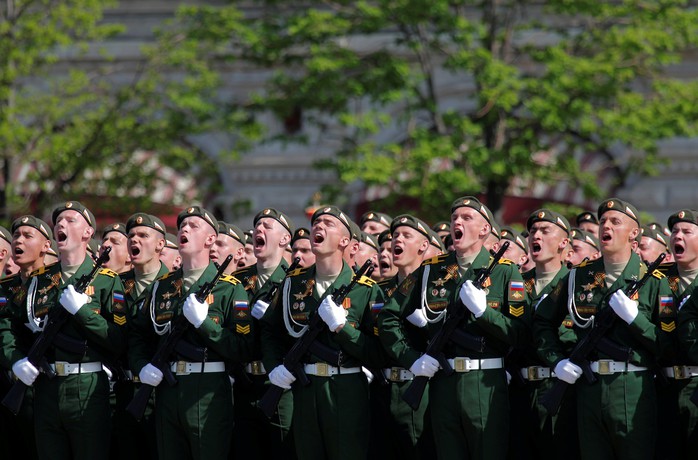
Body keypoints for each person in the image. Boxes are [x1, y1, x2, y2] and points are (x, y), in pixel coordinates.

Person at [379, 196, 530, 460]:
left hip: (484, 384)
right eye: (454, 218)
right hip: (443, 384)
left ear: (485, 230)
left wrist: (485, 313)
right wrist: (411, 359)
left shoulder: (505, 272)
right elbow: (389, 317)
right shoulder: (430, 271)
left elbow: (521, 333)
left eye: (466, 218)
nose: (457, 222)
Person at [534, 198, 672, 460]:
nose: (605, 226)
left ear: (634, 233)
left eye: (615, 222)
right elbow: (542, 322)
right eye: (603, 222)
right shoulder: (577, 277)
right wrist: (557, 361)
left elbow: (668, 344)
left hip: (633, 388)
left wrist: (636, 320)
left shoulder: (654, 281)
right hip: (590, 387)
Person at [2, 201, 127, 460]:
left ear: (87, 233)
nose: (61, 224)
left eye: (71, 220)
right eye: (58, 220)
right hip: (46, 387)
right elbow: (10, 325)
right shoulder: (40, 280)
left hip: (87, 386)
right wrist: (16, 361)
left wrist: (83, 313)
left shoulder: (106, 280)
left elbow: (119, 339)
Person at [261, 205, 385, 460]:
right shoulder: (293, 283)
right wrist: (274, 366)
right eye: (316, 223)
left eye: (329, 223)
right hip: (305, 391)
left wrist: (343, 328)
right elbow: (269, 330)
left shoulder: (366, 290)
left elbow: (378, 352)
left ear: (345, 241)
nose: (318, 226)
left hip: (346, 389)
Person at [128, 206, 252, 460]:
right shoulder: (161, 287)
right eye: (182, 225)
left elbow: (243, 347)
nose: (184, 229)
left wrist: (205, 324)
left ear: (210, 240)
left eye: (193, 226)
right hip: (167, 390)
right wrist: (141, 366)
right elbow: (137, 336)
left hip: (208, 393)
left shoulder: (229, 289)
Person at [509, 210, 578, 460]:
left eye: (545, 231)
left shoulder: (574, 282)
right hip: (520, 387)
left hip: (558, 385)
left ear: (563, 242)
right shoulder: (515, 282)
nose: (535, 236)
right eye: (533, 232)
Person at [232, 208, 296, 459]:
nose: (259, 229)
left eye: (267, 226)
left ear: (284, 239)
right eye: (257, 225)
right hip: (244, 383)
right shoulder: (236, 281)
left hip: (280, 384)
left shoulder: (296, 280)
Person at [372, 214, 435, 459]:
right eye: (396, 235)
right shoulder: (380, 291)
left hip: (422, 389)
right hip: (384, 390)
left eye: (406, 236)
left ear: (423, 246)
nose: (398, 240)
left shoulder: (434, 287)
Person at [109, 213, 169, 460]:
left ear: (160, 244)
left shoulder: (173, 284)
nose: (135, 239)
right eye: (131, 235)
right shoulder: (115, 284)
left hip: (164, 391)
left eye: (143, 235)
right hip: (124, 389)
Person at [0, 215, 53, 460]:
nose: (18, 240)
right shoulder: (6, 287)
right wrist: (15, 361)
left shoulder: (56, 284)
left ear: (46, 246)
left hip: (48, 387)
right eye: (17, 236)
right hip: (12, 384)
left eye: (27, 235)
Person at [657, 209, 698, 460]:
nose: (677, 236)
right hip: (666, 385)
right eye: (674, 232)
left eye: (686, 231)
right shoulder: (658, 279)